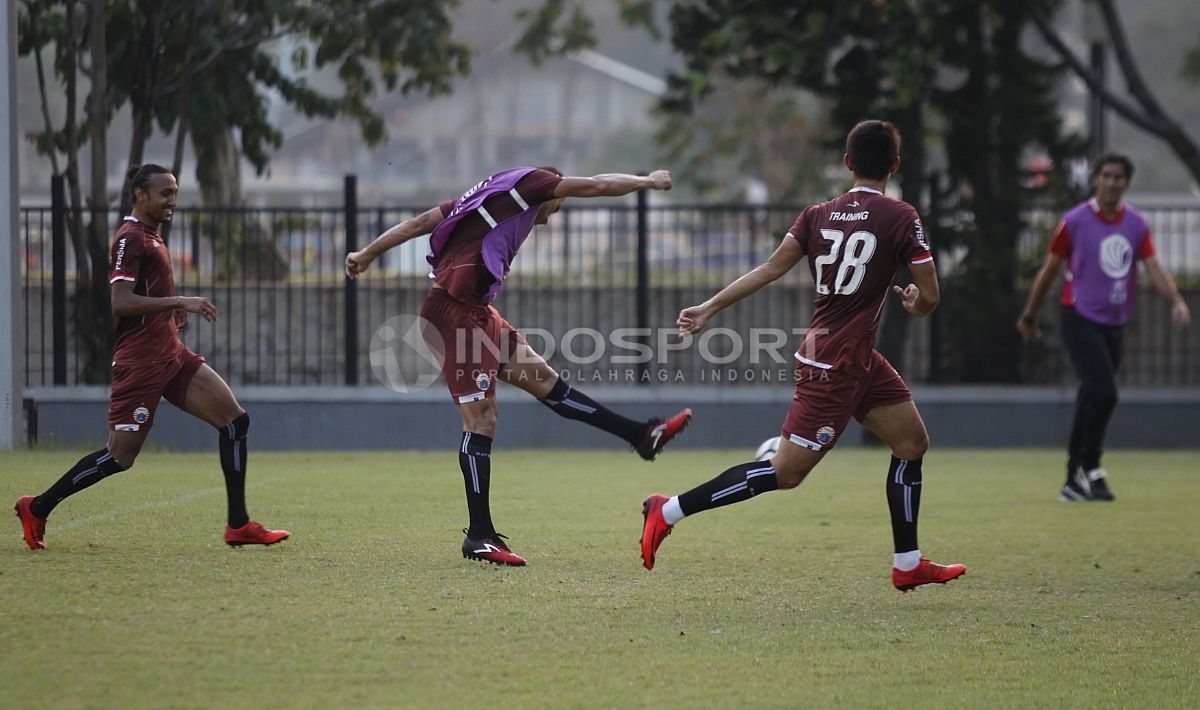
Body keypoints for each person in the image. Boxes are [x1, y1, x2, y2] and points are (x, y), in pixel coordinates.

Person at [639, 121, 966, 592]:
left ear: (847, 163)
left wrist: (710, 307)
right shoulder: (901, 217)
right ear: (895, 166)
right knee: (786, 474)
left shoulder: (818, 214)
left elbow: (770, 269)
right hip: (837, 363)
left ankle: (908, 562)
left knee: (912, 443)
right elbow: (930, 296)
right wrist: (917, 302)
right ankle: (666, 510)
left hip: (851, 357)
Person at [346, 166, 692, 566]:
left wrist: (367, 253)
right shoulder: (533, 186)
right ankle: (479, 536)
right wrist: (647, 182)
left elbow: (419, 223)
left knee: (546, 382)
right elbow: (598, 185)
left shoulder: (492, 194)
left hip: (476, 312)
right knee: (481, 421)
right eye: (557, 204)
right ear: (550, 191)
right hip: (455, 315)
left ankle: (640, 435)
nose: (554, 213)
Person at [13, 165, 288, 550]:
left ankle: (238, 524)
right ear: (141, 195)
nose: (172, 200)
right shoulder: (129, 237)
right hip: (140, 363)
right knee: (119, 458)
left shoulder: (153, 236)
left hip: (171, 354)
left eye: (174, 191)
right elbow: (120, 302)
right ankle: (37, 507)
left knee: (235, 422)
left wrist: (169, 313)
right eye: (165, 193)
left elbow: (147, 291)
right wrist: (179, 301)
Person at [1017, 152, 1191, 502]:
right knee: (1105, 391)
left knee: (1091, 394)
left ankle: (1074, 477)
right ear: (1096, 180)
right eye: (1106, 176)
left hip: (1114, 322)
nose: (1112, 182)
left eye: (1118, 177)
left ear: (1127, 182)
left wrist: (1176, 301)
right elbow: (1049, 269)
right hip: (1079, 317)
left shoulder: (1136, 224)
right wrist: (1030, 314)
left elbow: (1154, 266)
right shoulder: (1075, 221)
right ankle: (1091, 467)